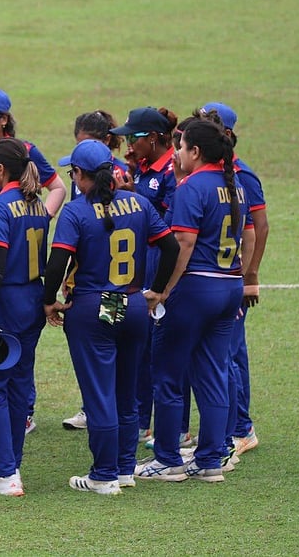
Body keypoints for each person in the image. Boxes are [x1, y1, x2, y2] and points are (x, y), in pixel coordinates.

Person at [42, 139, 178, 495]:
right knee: (126, 392)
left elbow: (57, 263)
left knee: (99, 394)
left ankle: (103, 475)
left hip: (92, 308)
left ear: (80, 174)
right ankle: (123, 468)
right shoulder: (139, 203)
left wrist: (48, 300)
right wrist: (158, 290)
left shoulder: (76, 211)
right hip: (132, 305)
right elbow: (170, 246)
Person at [135, 116, 254, 483]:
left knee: (168, 374)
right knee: (214, 374)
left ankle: (168, 459)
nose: (178, 153)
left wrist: (164, 289)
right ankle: (210, 460)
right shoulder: (235, 186)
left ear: (196, 151)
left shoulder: (192, 187)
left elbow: (183, 243)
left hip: (194, 290)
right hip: (228, 287)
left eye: (182, 147)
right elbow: (248, 236)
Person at [0, 87, 65, 433]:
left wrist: (42, 217)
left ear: (3, 119)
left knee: (6, 353)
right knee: (12, 351)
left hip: (5, 267)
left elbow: (58, 187)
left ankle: (15, 415)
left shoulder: (23, 153)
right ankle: (13, 415)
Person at [0, 138, 51, 497]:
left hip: (8, 300)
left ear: (1, 169)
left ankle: (4, 474)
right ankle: (11, 466)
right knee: (20, 383)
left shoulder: (0, 206)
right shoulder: (37, 205)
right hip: (33, 298)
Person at [198, 103, 268, 458]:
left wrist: (250, 277)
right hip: (220, 277)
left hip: (231, 278)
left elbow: (259, 228)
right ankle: (225, 428)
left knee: (231, 354)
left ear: (225, 134)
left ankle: (242, 429)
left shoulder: (243, 175)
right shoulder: (211, 174)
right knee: (222, 354)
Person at [110, 106, 181, 447]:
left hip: (158, 264)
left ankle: (171, 428)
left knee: (159, 350)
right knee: (136, 345)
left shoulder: (171, 171)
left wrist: (134, 196)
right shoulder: (141, 167)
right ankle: (138, 420)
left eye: (133, 138)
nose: (128, 144)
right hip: (137, 265)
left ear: (152, 138)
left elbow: (170, 226)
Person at [62, 110, 132, 431]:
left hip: (104, 294)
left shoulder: (115, 182)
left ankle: (102, 423)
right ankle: (113, 424)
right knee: (111, 360)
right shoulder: (128, 196)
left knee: (105, 358)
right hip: (120, 294)